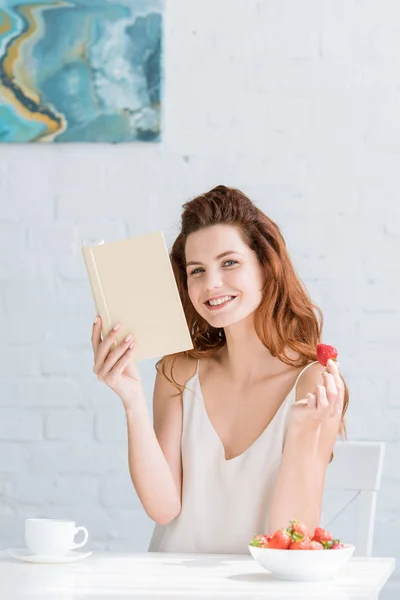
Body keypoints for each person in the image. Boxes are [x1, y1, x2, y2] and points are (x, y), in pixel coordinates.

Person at [91, 185, 348, 554]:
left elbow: (292, 536)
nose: (211, 284)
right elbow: (164, 509)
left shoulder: (312, 382)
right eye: (197, 270)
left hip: (260, 587)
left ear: (265, 264)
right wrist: (132, 402)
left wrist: (306, 429)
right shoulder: (178, 370)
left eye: (229, 263)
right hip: (170, 583)